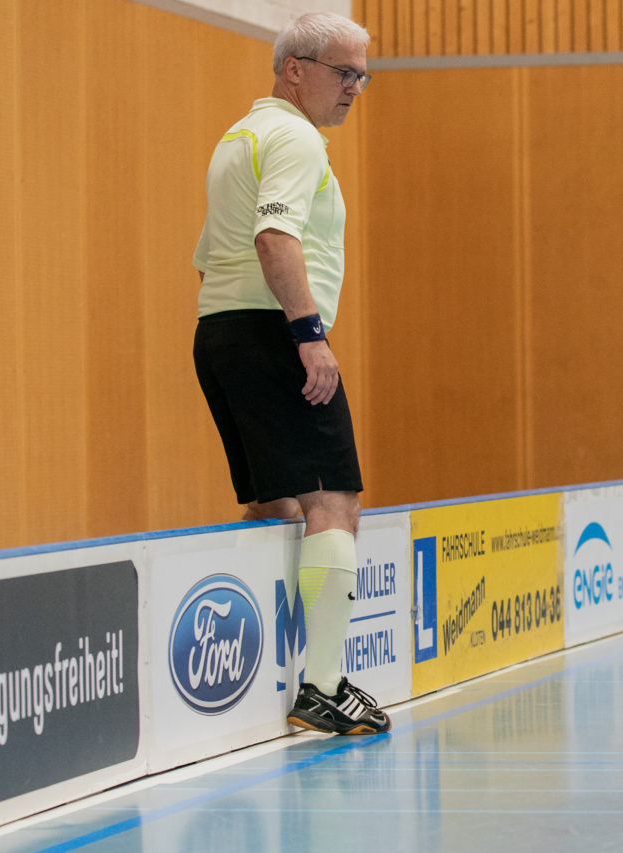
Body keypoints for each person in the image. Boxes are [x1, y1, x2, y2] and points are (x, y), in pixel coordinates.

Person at [192, 12, 388, 735]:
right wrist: (306, 335)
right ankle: (323, 684)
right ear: (294, 68)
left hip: (223, 331)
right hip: (271, 331)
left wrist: (237, 342)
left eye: (363, 75)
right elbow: (274, 239)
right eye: (345, 73)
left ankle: (236, 684)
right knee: (335, 500)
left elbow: (210, 259)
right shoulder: (296, 139)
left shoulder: (238, 137)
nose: (356, 88)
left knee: (273, 500)